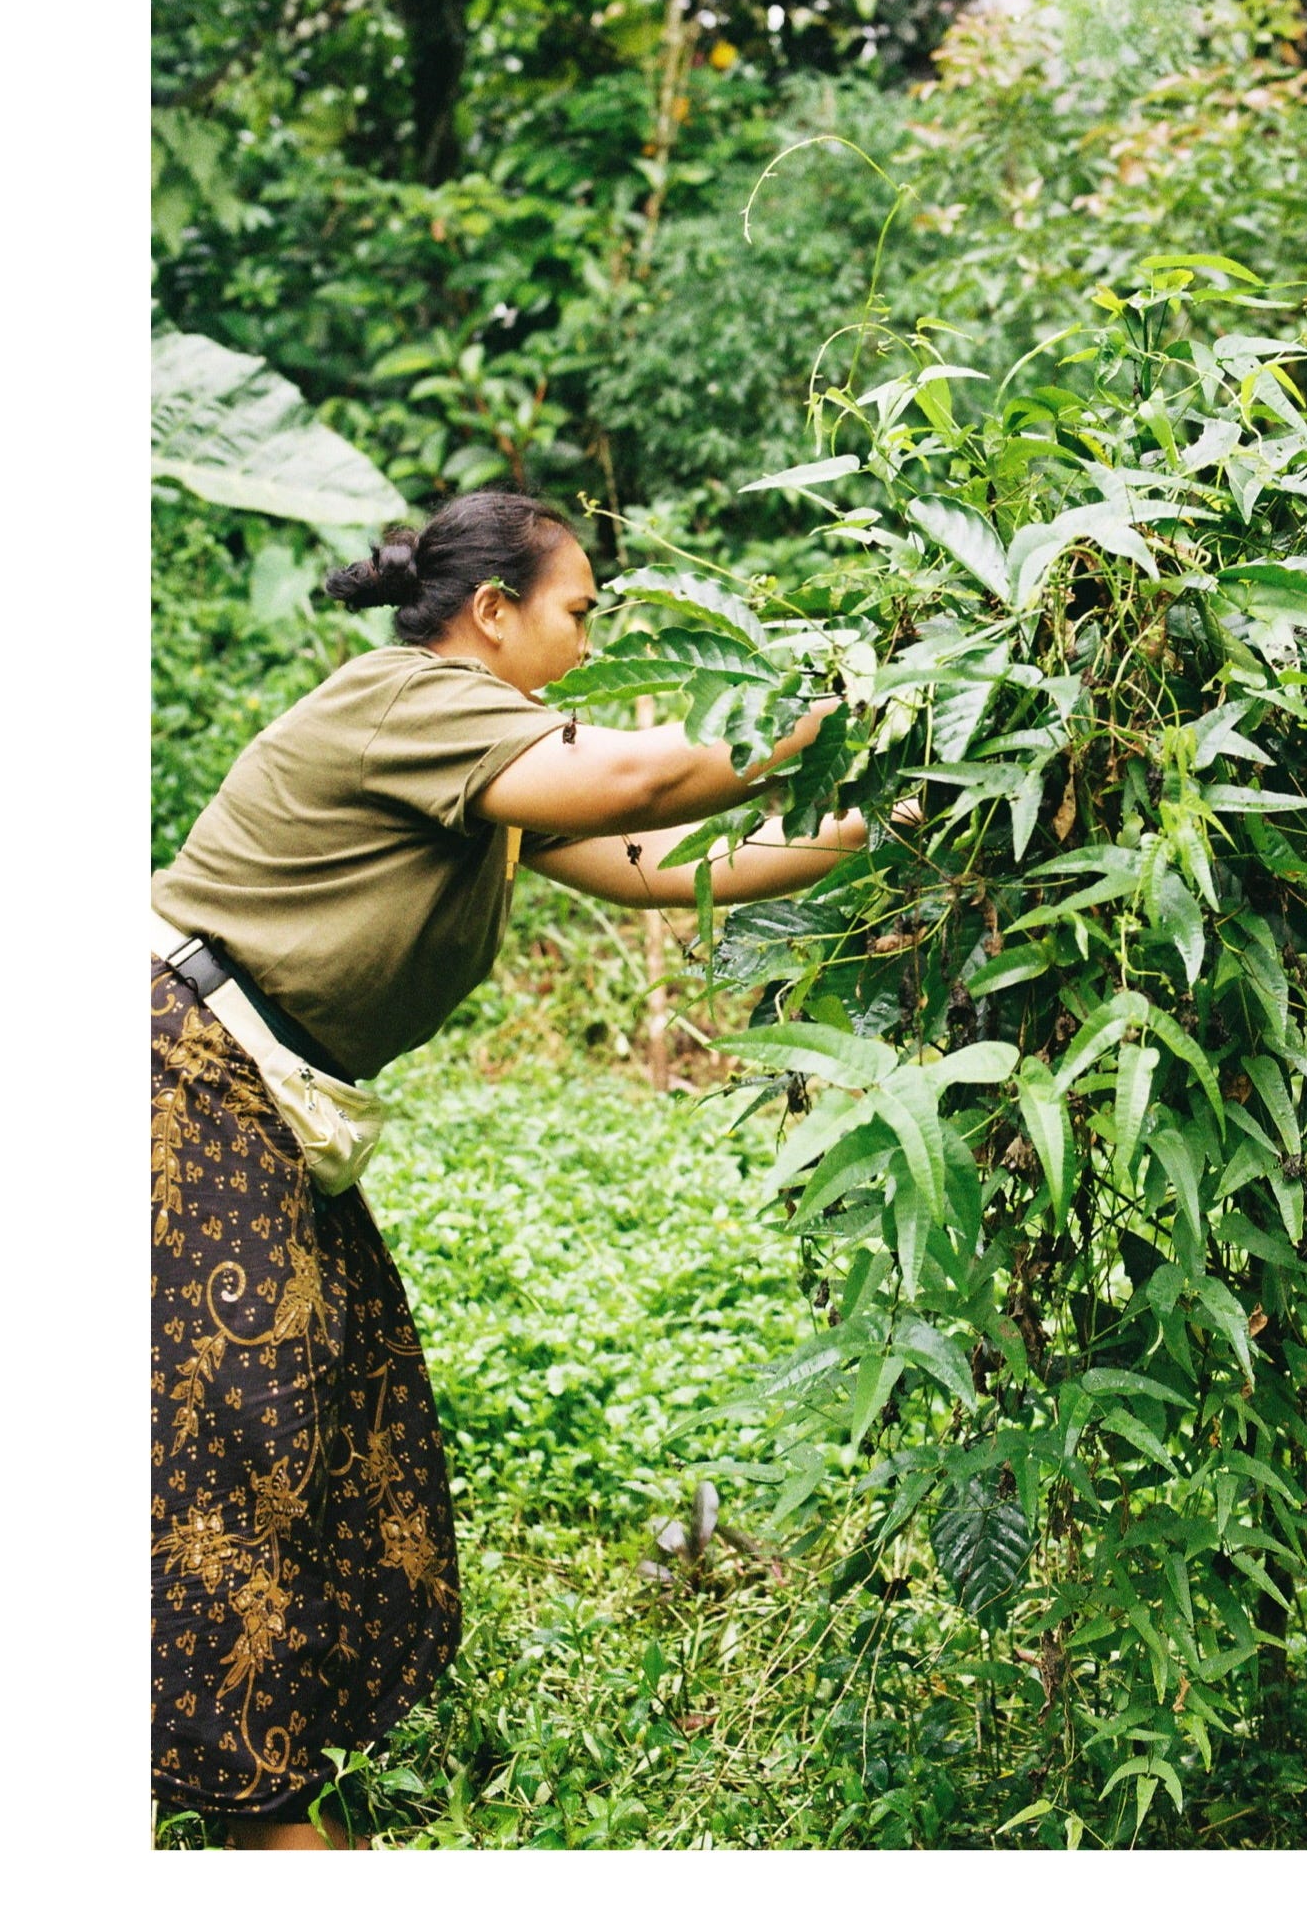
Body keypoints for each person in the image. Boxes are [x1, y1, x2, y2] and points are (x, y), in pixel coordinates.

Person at [150, 488, 864, 1849]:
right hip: (180, 1072)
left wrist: (892, 822)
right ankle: (263, 1816)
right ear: (493, 612)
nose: (591, 645)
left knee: (348, 1407)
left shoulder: (491, 766)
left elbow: (659, 858)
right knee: (234, 1443)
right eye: (578, 613)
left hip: (259, 1098)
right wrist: (849, 717)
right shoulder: (411, 700)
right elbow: (640, 783)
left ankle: (291, 1752)